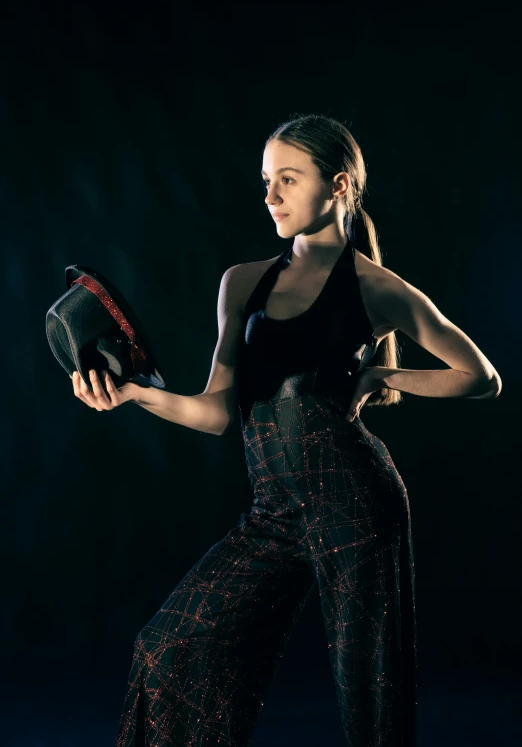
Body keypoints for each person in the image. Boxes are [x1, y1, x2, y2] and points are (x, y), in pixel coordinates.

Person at [71, 114, 502, 747]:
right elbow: (217, 411)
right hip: (274, 515)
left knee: (372, 699)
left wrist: (382, 377)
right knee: (168, 648)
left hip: (357, 506)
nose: (269, 195)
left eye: (288, 180)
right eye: (267, 180)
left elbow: (481, 376)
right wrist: (135, 395)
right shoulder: (243, 283)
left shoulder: (377, 289)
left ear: (340, 185)